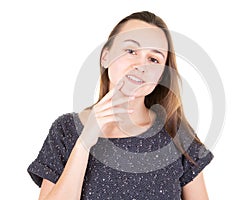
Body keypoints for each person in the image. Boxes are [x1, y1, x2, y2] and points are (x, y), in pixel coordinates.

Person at [27, 11, 214, 200]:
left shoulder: (176, 132)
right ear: (105, 57)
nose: (141, 65)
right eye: (131, 51)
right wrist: (85, 142)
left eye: (153, 59)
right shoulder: (66, 130)